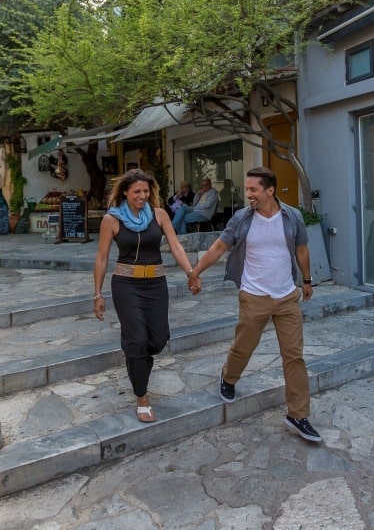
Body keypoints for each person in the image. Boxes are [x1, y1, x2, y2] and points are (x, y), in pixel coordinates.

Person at [188, 166, 320, 442]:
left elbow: (302, 249)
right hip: (253, 295)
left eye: (253, 190)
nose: (248, 194)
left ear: (269, 190)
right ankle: (229, 376)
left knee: (294, 356)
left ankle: (298, 415)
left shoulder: (292, 216)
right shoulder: (242, 219)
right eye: (247, 189)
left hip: (286, 297)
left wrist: (307, 280)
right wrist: (195, 271)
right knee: (244, 347)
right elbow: (218, 247)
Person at [93, 169, 197, 424]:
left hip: (155, 285)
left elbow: (175, 245)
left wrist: (191, 272)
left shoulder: (159, 215)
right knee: (137, 339)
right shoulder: (112, 219)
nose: (142, 196)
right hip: (126, 285)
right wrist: (97, 293)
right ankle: (142, 396)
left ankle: (134, 354)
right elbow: (102, 257)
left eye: (146, 191)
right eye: (137, 191)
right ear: (126, 192)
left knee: (158, 339)